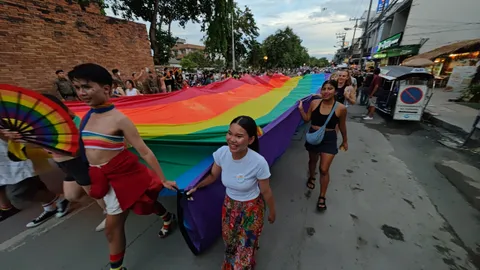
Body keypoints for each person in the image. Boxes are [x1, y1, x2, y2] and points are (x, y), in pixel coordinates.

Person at [68, 63, 177, 270]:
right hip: (102, 178)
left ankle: (116, 268)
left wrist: (162, 179)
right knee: (143, 201)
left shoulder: (120, 120)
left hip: (122, 177)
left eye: (86, 87)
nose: (81, 93)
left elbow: (144, 151)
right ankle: (167, 216)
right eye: (77, 88)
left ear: (106, 89)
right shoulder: (86, 117)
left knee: (111, 229)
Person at [3, 94, 108, 231]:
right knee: (72, 195)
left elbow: (74, 150)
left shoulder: (73, 122)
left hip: (78, 162)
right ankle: (109, 191)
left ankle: (110, 213)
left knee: (94, 192)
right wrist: (23, 140)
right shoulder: (41, 126)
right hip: (65, 166)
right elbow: (39, 150)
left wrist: (38, 141)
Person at [187, 116, 276, 269]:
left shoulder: (259, 162)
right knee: (230, 242)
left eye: (239, 136)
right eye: (230, 133)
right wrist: (197, 186)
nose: (232, 139)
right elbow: (213, 176)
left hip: (251, 210)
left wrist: (272, 212)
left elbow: (266, 191)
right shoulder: (222, 153)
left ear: (250, 139)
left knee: (244, 249)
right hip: (229, 207)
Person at [298, 80, 348, 211]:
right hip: (313, 136)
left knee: (324, 169)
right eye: (324, 89)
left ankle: (322, 196)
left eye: (330, 88)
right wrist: (301, 110)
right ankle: (311, 176)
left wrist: (345, 140)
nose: (326, 91)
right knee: (312, 160)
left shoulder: (341, 108)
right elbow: (307, 119)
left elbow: (342, 126)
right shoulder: (314, 103)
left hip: (329, 139)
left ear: (335, 91)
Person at [0, 137, 70, 227]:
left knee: (18, 193)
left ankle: (60, 199)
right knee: (34, 185)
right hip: (6, 163)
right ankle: (50, 207)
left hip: (13, 158)